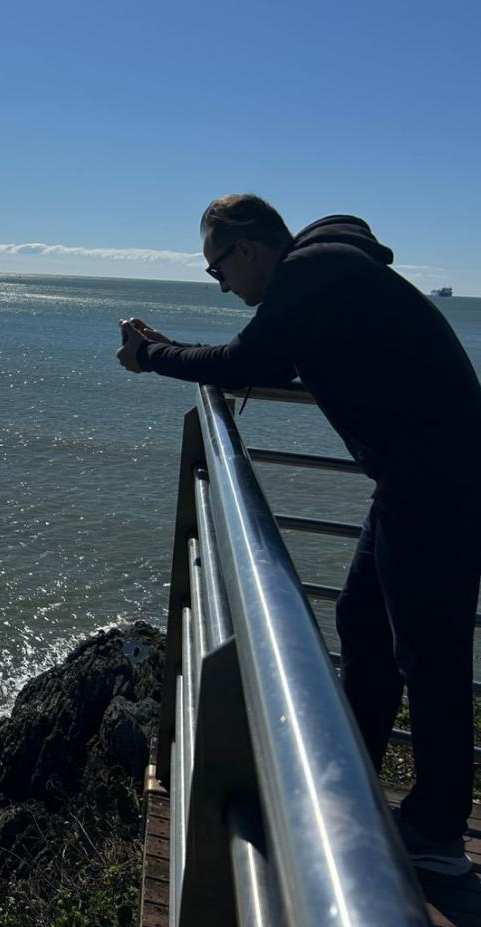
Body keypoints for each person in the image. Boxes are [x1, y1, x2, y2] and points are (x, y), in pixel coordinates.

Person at [116, 193, 481, 875]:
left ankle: (436, 830)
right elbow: (269, 356)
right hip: (418, 478)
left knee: (429, 653)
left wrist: (152, 355)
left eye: (218, 269)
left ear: (248, 249)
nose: (222, 285)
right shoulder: (326, 275)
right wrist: (162, 346)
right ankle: (355, 788)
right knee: (364, 624)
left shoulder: (313, 275)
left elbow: (245, 361)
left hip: (442, 484)